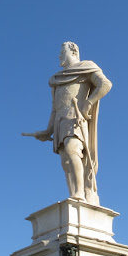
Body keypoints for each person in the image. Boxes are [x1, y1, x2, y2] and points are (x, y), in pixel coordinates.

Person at [22, 41, 112, 206]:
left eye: (62, 52)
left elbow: (105, 84)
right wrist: (47, 131)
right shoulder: (57, 79)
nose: (59, 56)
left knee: (72, 150)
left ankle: (80, 192)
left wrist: (89, 103)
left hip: (75, 117)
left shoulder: (87, 67)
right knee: (65, 160)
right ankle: (74, 193)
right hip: (60, 121)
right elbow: (55, 109)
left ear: (74, 51)